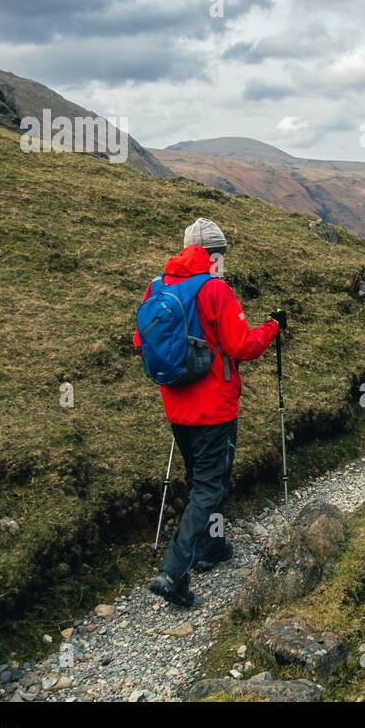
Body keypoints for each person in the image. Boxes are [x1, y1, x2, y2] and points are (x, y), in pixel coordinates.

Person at [134, 217, 283, 608]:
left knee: (200, 477)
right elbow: (242, 347)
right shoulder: (215, 290)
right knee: (209, 485)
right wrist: (272, 327)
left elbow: (141, 340)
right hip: (214, 407)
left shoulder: (157, 286)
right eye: (223, 255)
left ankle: (211, 547)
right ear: (214, 255)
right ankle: (174, 571)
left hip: (175, 404)